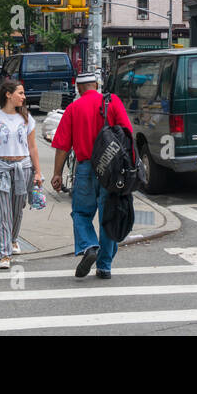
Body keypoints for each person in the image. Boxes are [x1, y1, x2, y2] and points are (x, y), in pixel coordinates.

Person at [50, 70, 135, 280]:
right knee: (109, 215)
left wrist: (57, 174)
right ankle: (104, 266)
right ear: (96, 85)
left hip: (86, 168)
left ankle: (89, 246)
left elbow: (62, 146)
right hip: (112, 170)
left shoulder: (73, 108)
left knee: (80, 213)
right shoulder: (112, 101)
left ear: (79, 88)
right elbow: (127, 134)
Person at [0, 77, 43, 270]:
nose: (24, 96)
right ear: (8, 94)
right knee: (3, 212)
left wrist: (38, 172)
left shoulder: (26, 118)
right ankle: (4, 253)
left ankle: (13, 239)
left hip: (23, 168)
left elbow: (33, 147)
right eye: (20, 93)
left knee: (17, 209)